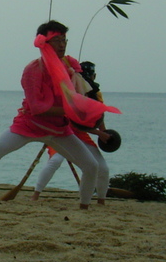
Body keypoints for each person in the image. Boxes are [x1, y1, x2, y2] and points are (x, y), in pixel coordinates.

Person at [0, 21, 120, 209]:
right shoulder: (33, 69)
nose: (62, 45)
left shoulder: (69, 67)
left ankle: (84, 208)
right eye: (57, 40)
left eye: (64, 40)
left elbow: (78, 99)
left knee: (92, 166)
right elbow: (37, 107)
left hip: (59, 129)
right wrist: (71, 109)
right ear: (44, 43)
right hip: (29, 125)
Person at [30, 61, 111, 204]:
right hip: (63, 132)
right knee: (55, 161)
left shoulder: (96, 95)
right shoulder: (71, 90)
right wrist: (100, 134)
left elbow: (98, 119)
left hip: (82, 136)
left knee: (102, 168)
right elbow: (74, 121)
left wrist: (105, 134)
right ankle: (36, 194)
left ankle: (101, 200)